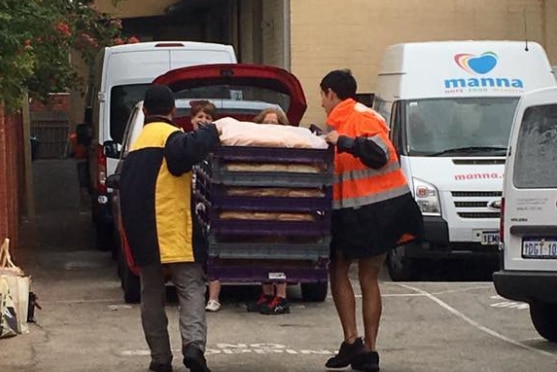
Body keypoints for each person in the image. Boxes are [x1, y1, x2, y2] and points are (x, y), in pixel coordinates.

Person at [319, 70, 423, 372]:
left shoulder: (357, 118)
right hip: (375, 210)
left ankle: (356, 343)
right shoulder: (353, 117)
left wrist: (344, 141)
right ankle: (364, 350)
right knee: (367, 276)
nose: (323, 104)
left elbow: (378, 153)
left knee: (340, 268)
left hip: (369, 212)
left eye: (322, 97)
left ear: (330, 93)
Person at [119, 85, 222, 372]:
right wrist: (213, 130)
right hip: (173, 229)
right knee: (190, 287)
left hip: (142, 234)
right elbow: (188, 154)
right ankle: (193, 348)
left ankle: (160, 359)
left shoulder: (136, 145)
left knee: (151, 292)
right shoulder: (171, 138)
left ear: (146, 111)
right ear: (172, 111)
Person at [246, 107, 292, 315]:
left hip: (281, 204)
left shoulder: (289, 146)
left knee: (280, 250)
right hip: (260, 203)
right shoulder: (254, 146)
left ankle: (281, 296)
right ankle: (265, 293)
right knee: (260, 249)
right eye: (267, 123)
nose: (271, 127)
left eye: (275, 123)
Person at [188, 100, 222, 313]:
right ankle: (195, 295)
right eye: (199, 117)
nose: (203, 120)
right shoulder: (184, 143)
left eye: (208, 118)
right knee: (193, 254)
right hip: (189, 204)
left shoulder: (217, 148)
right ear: (192, 120)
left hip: (211, 205)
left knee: (213, 251)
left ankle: (214, 297)